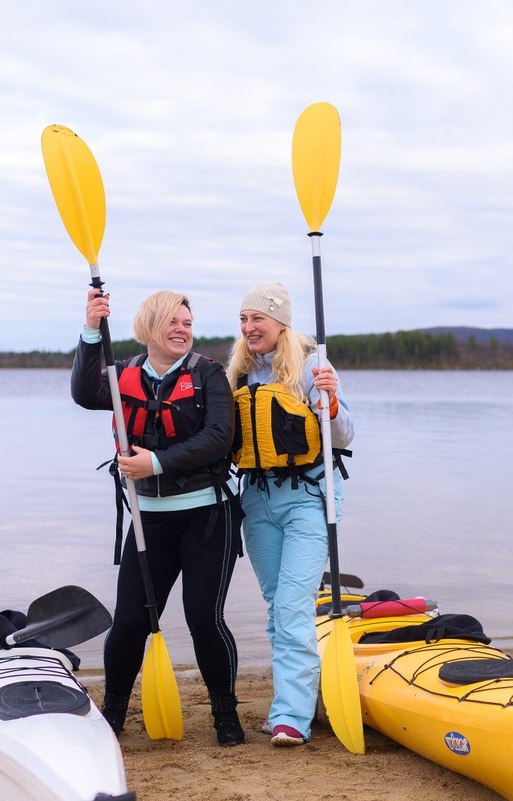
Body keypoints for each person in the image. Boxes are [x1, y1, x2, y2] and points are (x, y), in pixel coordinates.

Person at [70, 288, 245, 746]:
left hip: (208, 515)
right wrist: (91, 329)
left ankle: (226, 715)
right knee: (129, 620)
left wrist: (157, 463)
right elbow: (85, 394)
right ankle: (113, 714)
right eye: (173, 322)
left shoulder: (209, 375)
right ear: (149, 327)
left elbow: (219, 437)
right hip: (149, 518)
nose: (182, 330)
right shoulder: (122, 373)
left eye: (188, 323)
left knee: (203, 618)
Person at [226, 281, 353, 747]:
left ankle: (290, 719)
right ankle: (298, 700)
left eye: (257, 318)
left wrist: (332, 402)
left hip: (308, 499)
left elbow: (346, 434)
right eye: (243, 319)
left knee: (292, 607)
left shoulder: (313, 365)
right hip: (257, 501)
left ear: (281, 322)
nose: (249, 326)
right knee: (278, 609)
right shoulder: (238, 372)